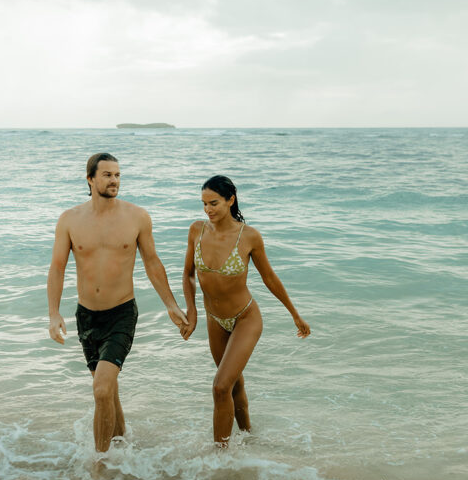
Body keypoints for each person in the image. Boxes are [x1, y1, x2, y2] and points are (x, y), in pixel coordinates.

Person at [48, 152, 189, 456]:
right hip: (86, 316)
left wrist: (171, 305)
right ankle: (125, 451)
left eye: (118, 175)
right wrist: (53, 313)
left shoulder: (137, 217)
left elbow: (152, 263)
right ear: (90, 179)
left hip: (122, 314)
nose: (114, 180)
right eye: (108, 175)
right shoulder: (70, 220)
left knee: (100, 390)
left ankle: (100, 469)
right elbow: (57, 267)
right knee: (108, 392)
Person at [181, 175, 310, 446]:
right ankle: (249, 438)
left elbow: (270, 279)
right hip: (214, 320)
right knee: (233, 384)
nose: (208, 210)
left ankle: (220, 457)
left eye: (214, 203)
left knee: (220, 387)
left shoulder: (249, 236)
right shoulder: (196, 230)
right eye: (204, 204)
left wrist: (295, 314)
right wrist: (191, 311)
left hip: (245, 318)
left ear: (231, 199)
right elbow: (188, 274)